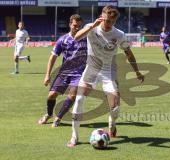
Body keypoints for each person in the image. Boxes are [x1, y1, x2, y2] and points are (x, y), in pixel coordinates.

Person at [67, 5, 145, 147]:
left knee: (115, 107)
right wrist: (91, 27)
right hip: (91, 69)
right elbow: (76, 38)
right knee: (79, 100)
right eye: (107, 20)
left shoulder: (119, 35)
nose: (109, 24)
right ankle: (74, 137)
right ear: (102, 17)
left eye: (112, 22)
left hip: (107, 72)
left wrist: (137, 71)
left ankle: (112, 123)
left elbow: (129, 53)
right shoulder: (91, 27)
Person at [38, 14, 87, 128]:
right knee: (51, 96)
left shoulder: (87, 39)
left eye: (80, 26)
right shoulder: (63, 40)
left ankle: (58, 117)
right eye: (75, 25)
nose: (77, 28)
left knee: (72, 96)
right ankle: (49, 114)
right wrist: (47, 75)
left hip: (79, 74)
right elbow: (53, 57)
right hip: (64, 73)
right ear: (70, 24)